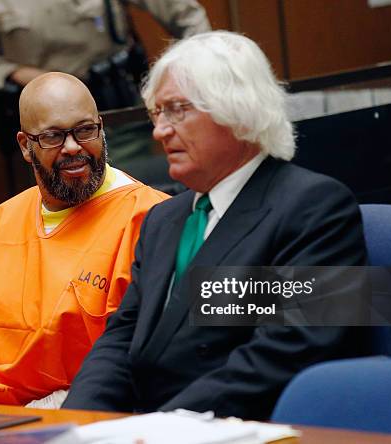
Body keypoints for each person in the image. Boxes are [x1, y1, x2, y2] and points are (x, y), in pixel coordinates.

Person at [63, 31, 369, 419]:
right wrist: (76, 423)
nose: (160, 131)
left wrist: (158, 428)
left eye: (178, 110)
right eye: (158, 113)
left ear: (236, 110)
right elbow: (123, 339)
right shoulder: (163, 219)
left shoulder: (314, 209)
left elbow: (280, 356)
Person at [0, 72, 167, 407]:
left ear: (102, 130)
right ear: (24, 145)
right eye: (53, 136)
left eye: (85, 130)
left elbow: (159, 358)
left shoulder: (153, 218)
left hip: (89, 415)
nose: (73, 147)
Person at [0, 0, 211, 194]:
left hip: (117, 114)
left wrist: (197, 74)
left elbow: (186, 15)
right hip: (51, 134)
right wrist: (22, 74)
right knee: (72, 203)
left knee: (134, 194)